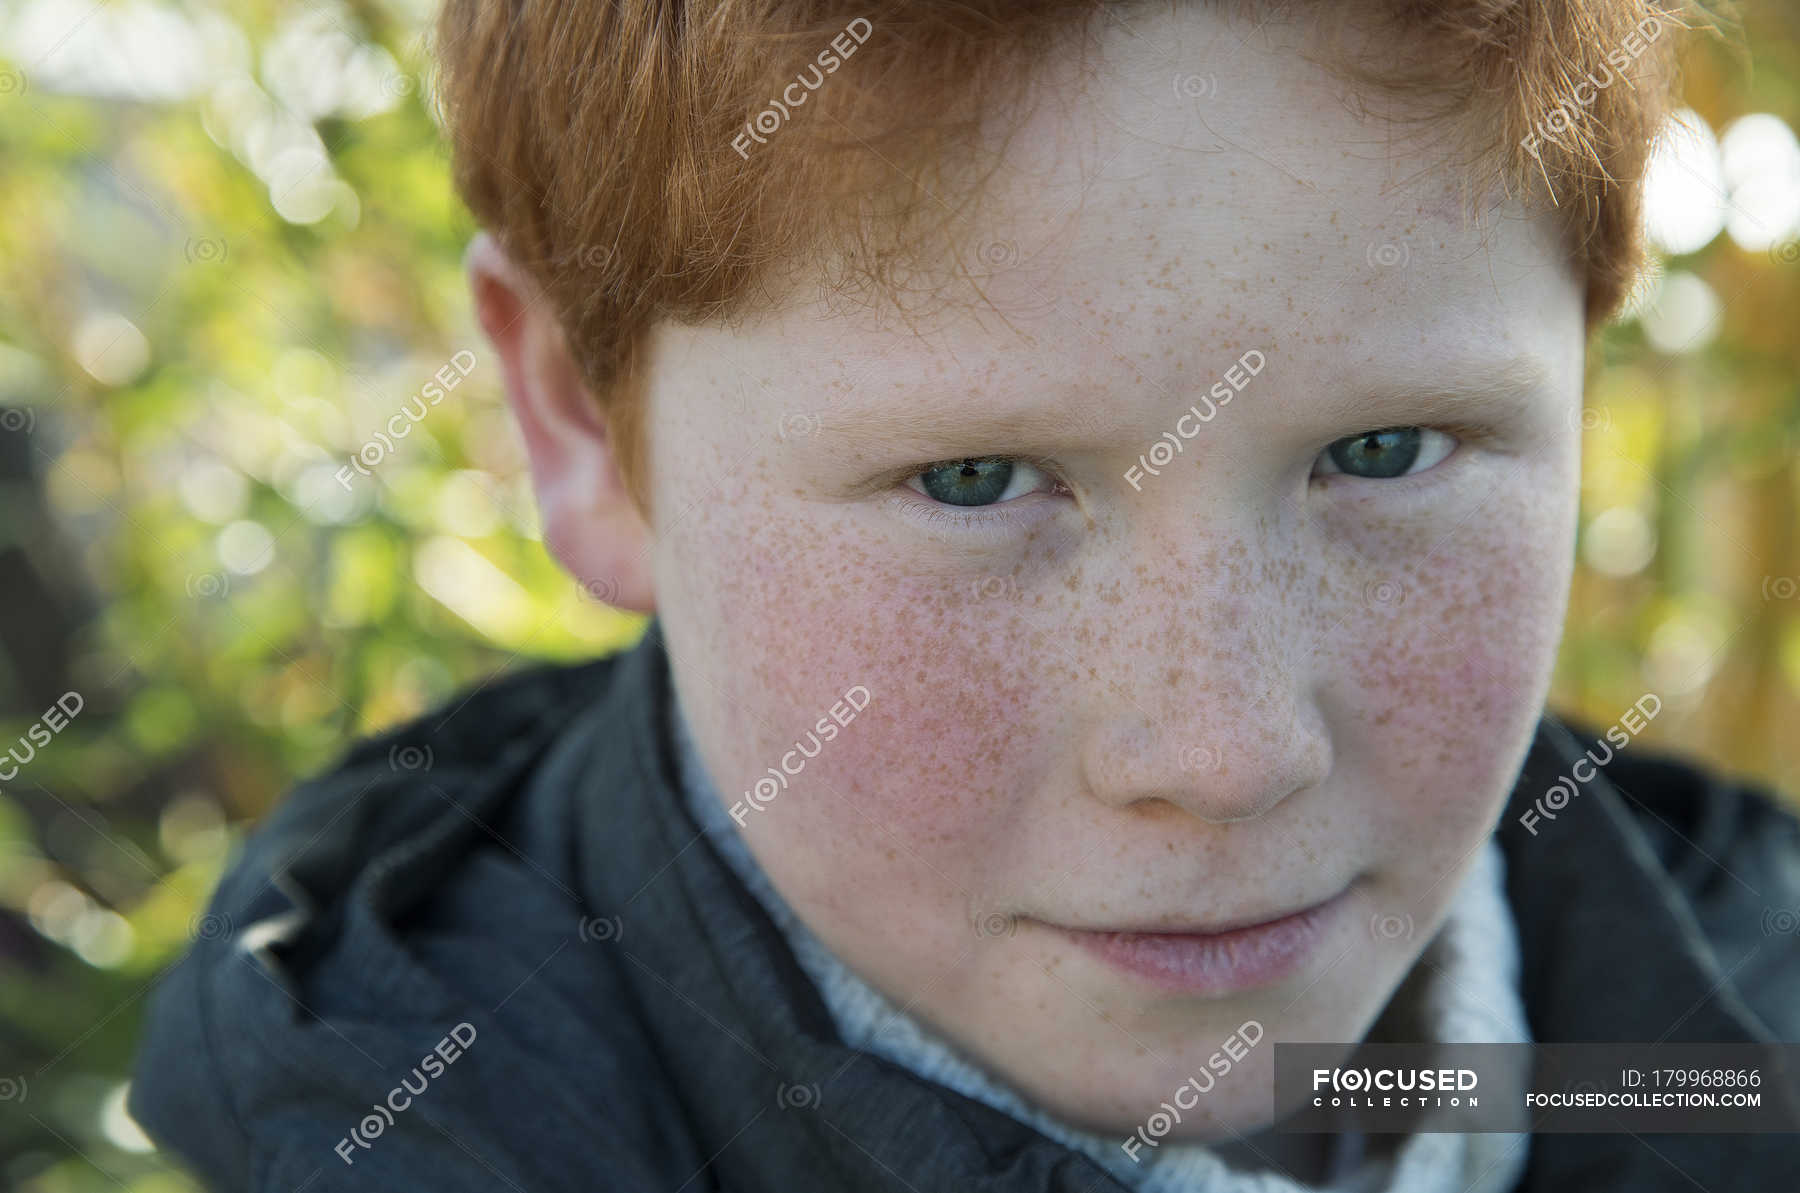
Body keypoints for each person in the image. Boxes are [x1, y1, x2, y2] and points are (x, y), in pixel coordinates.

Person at [130, 2, 1800, 1189]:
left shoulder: (1737, 1010)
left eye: (1384, 447)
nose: (1222, 750)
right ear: (582, 424)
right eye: (976, 481)